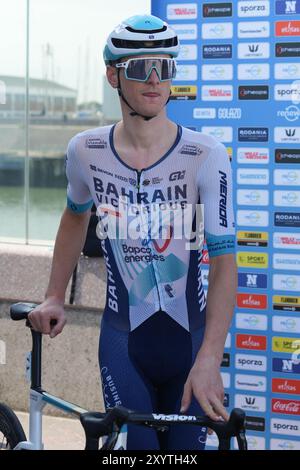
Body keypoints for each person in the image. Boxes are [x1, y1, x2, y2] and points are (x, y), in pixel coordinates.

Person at [28, 14, 237, 450]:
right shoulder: (86, 150)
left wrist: (211, 358)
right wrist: (52, 295)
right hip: (123, 342)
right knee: (135, 454)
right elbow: (73, 216)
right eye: (142, 68)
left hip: (190, 345)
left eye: (167, 66)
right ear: (113, 76)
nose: (156, 80)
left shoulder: (206, 155)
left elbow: (223, 264)